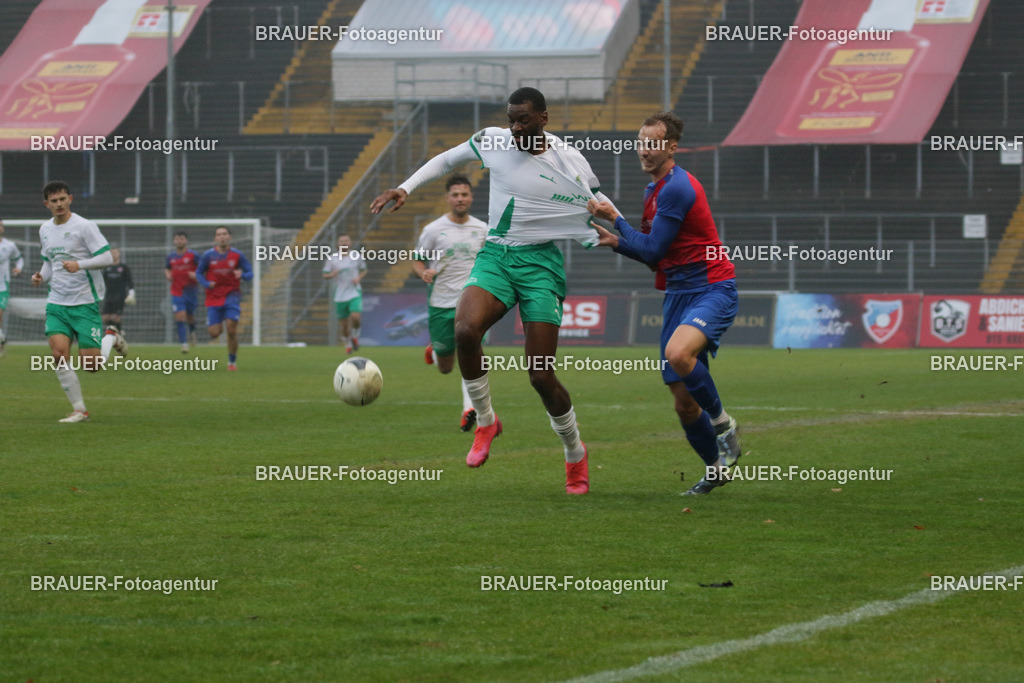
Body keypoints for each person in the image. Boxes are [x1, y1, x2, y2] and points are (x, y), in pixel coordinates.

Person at [371, 87, 617, 495]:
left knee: (541, 375)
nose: (515, 128)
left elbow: (596, 201)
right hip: (497, 257)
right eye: (511, 119)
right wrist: (405, 188)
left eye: (524, 120)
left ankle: (575, 453)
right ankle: (486, 421)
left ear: (543, 119)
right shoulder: (494, 141)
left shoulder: (568, 160)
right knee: (465, 330)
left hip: (540, 266)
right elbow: (447, 159)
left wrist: (631, 235)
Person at [586, 111, 742, 496]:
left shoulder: (677, 188)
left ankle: (724, 426)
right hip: (677, 295)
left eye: (653, 143)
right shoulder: (654, 190)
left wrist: (616, 220)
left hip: (711, 288)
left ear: (671, 148)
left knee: (678, 353)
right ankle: (716, 470)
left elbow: (653, 247)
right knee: (684, 404)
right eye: (640, 142)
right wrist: (617, 242)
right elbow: (654, 257)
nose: (644, 150)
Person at [30, 180, 123, 422]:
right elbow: (49, 263)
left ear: (70, 199)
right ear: (47, 204)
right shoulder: (44, 229)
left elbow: (107, 258)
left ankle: (110, 336)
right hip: (57, 303)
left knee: (91, 365)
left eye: (63, 199)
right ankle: (79, 409)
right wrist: (41, 277)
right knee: (59, 354)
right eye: (54, 201)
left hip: (84, 301)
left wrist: (79, 264)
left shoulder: (85, 226)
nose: (59, 204)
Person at [411, 174, 487, 431]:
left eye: (464, 194)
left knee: (471, 353)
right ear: (448, 198)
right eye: (455, 195)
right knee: (445, 367)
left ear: (471, 197)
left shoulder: (482, 229)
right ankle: (436, 350)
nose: (460, 199)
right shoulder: (433, 230)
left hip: (472, 302)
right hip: (441, 301)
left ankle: (469, 408)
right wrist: (423, 272)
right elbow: (417, 259)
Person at [196, 226, 253, 370]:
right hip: (214, 297)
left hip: (231, 295)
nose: (222, 237)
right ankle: (219, 321)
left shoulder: (237, 255)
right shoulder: (208, 256)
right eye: (219, 234)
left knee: (231, 330)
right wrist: (206, 283)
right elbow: (198, 273)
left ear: (229, 237)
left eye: (224, 234)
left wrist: (243, 275)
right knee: (214, 333)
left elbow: (250, 273)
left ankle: (232, 362)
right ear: (215, 238)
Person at [322, 234, 366, 353]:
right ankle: (348, 344)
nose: (344, 243)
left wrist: (358, 278)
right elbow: (325, 274)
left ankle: (355, 336)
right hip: (340, 294)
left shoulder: (356, 256)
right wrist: (331, 275)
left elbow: (364, 270)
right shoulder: (332, 258)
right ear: (338, 243)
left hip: (354, 291)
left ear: (350, 243)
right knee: (345, 325)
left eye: (346, 241)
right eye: (342, 241)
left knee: (355, 317)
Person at [165, 231, 200, 353]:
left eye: (181, 239)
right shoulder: (171, 257)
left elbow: (203, 269)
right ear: (174, 241)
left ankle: (192, 331)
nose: (179, 241)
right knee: (180, 316)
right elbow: (167, 268)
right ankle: (184, 344)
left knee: (189, 315)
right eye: (177, 239)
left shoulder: (193, 255)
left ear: (186, 241)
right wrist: (168, 274)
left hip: (191, 290)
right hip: (177, 291)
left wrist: (196, 275)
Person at [100, 246, 134, 357]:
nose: (114, 255)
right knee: (106, 318)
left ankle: (118, 339)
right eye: (112, 253)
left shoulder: (123, 268)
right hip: (109, 296)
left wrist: (131, 294)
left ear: (119, 254)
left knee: (116, 318)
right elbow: (102, 282)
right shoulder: (107, 268)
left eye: (116, 253)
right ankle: (118, 334)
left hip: (120, 296)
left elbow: (130, 282)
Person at [0, 219, 25, 356]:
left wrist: (18, 268)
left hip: (2, 287)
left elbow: (19, 259)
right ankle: (1, 338)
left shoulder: (9, 246)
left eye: (0, 226)